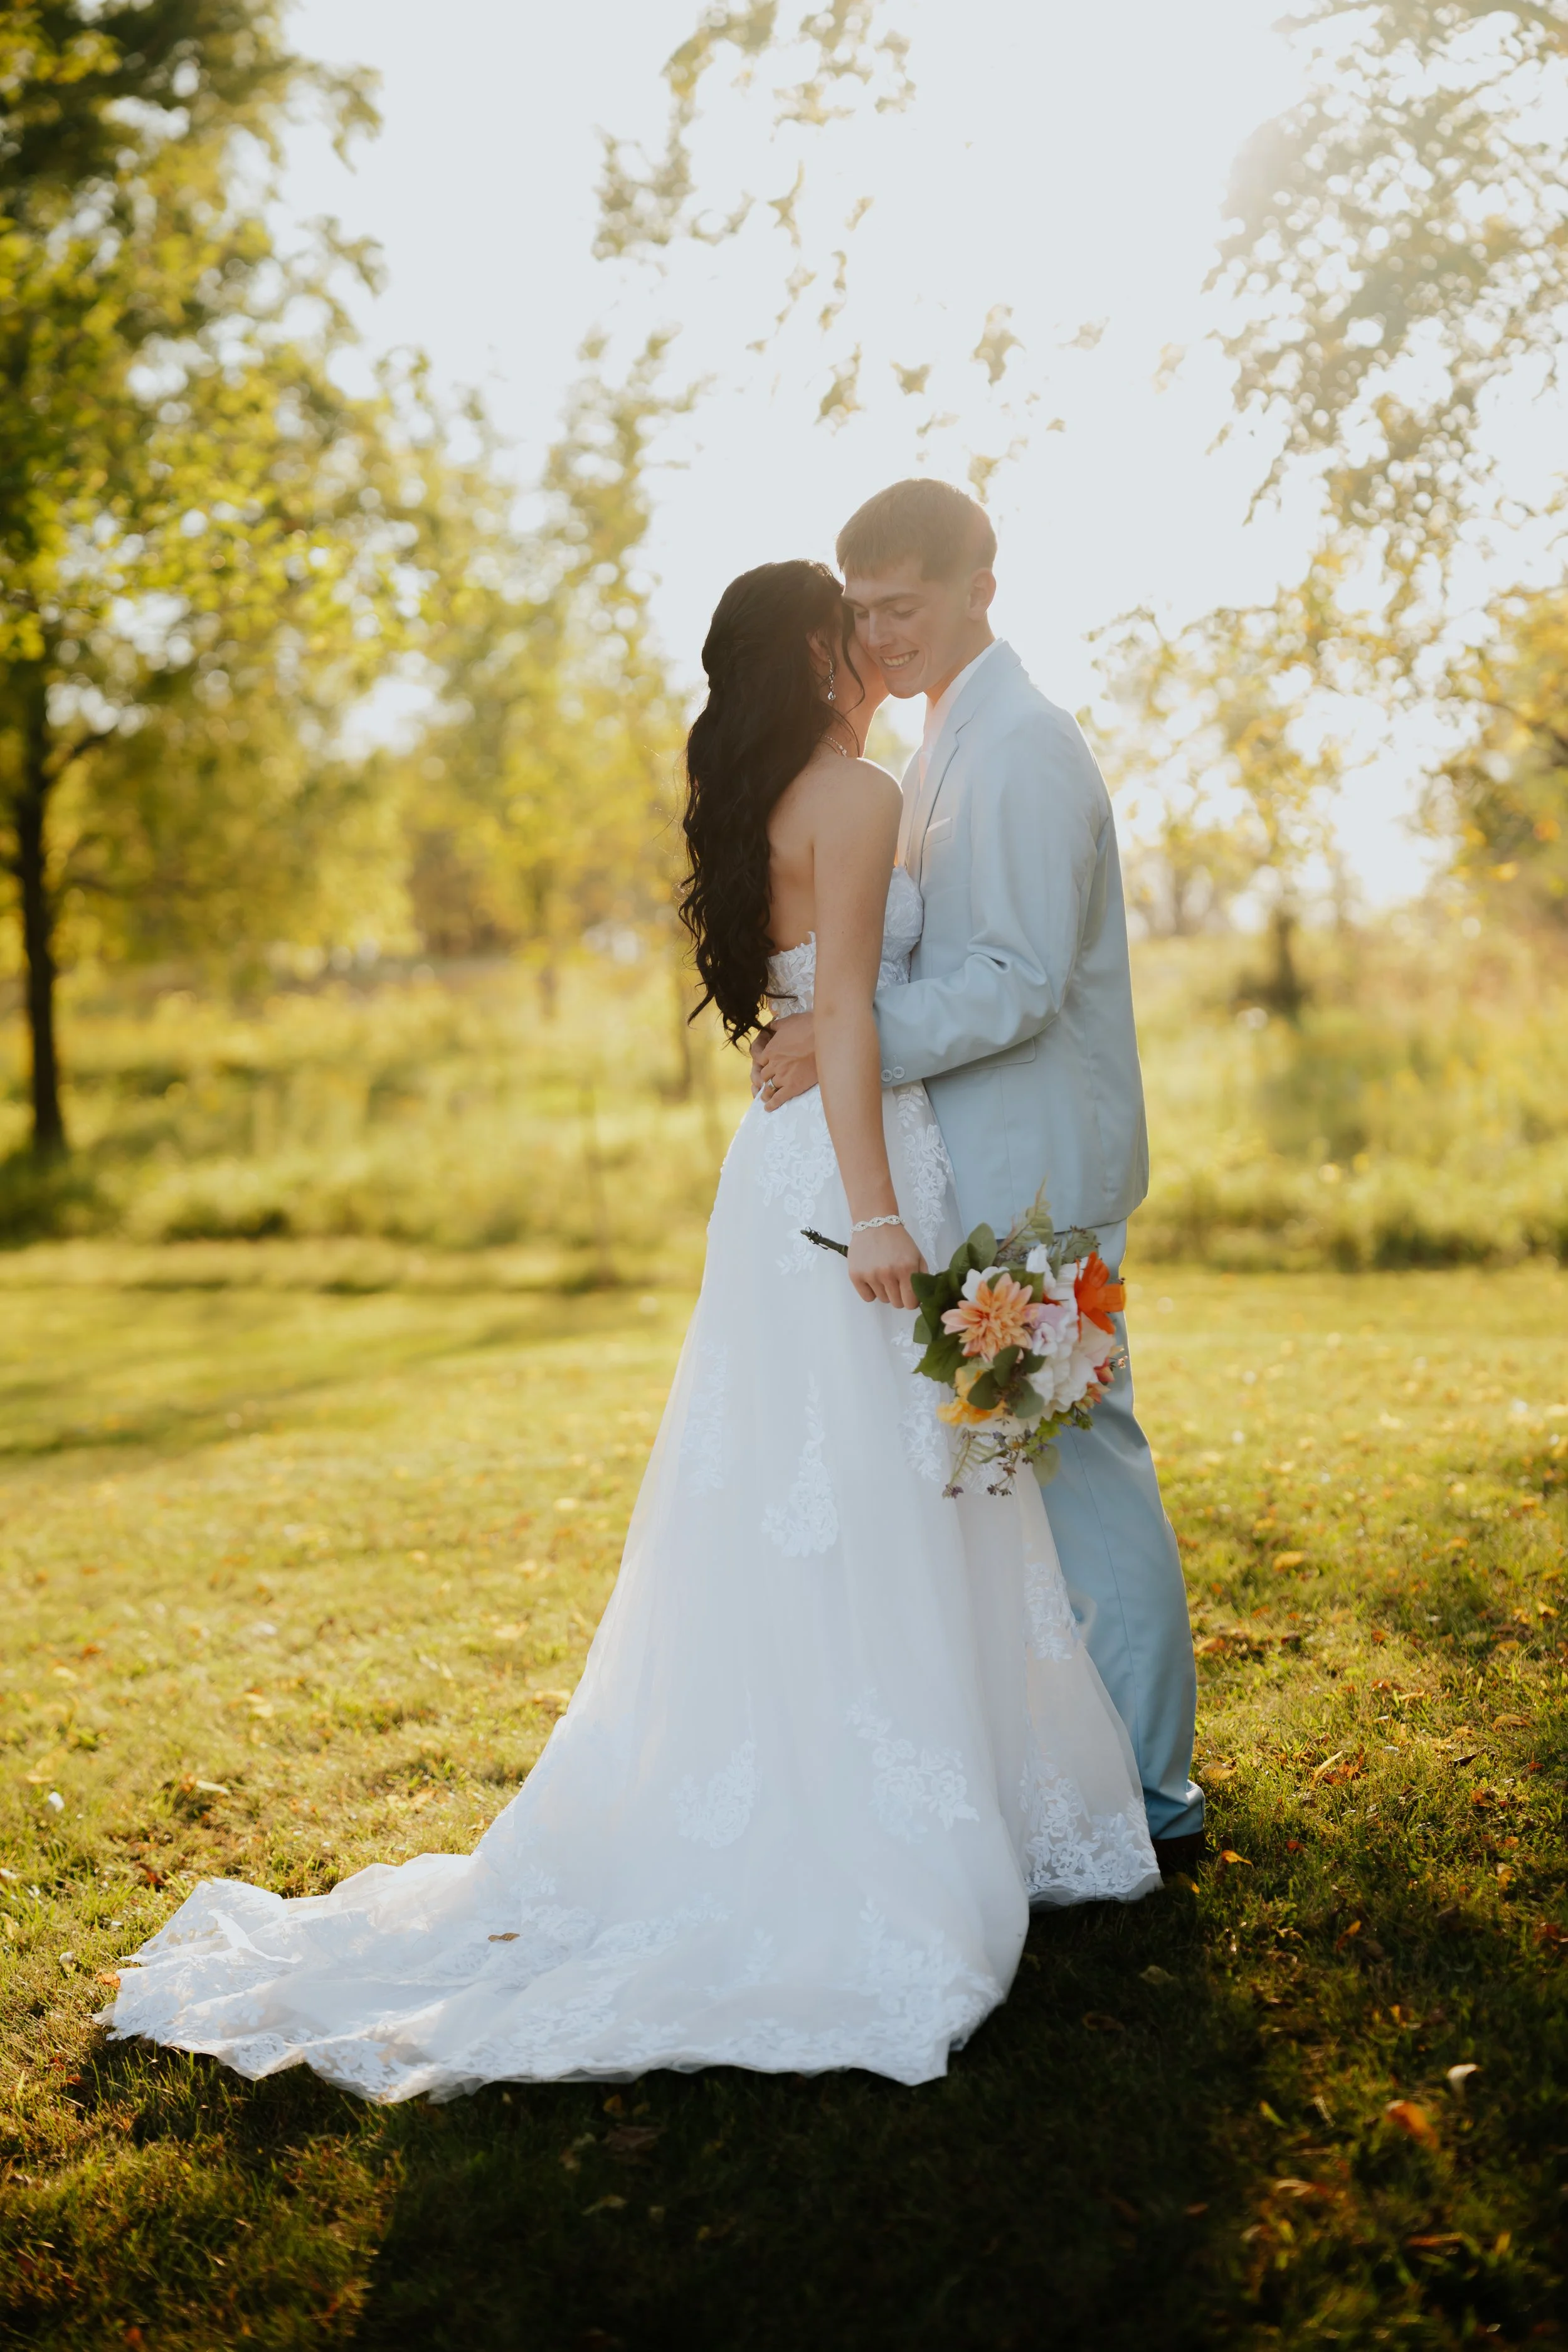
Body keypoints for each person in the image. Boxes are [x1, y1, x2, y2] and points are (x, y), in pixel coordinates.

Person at [100, 558, 1157, 2102]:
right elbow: (849, 1015)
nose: (872, 645)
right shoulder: (853, 798)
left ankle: (877, 1785)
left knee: (818, 1489)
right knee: (874, 1481)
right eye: (849, 623)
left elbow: (806, 1006)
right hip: (853, 1169)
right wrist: (878, 1214)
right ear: (813, 648)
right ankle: (869, 1825)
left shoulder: (757, 804)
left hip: (776, 1173)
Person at [752, 484, 1205, 1873]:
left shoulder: (1012, 748)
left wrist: (846, 1036)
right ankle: (1075, 1777)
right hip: (983, 1171)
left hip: (1036, 1180)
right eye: (862, 609)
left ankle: (1153, 1799)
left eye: (903, 605)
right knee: (1017, 1478)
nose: (878, 635)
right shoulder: (944, 733)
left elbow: (1010, 983)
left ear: (979, 589)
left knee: (1077, 1474)